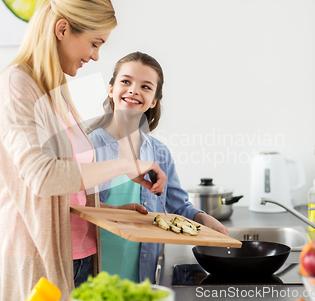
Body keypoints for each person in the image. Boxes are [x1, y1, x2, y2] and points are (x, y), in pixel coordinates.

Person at [0, 0, 166, 301]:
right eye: (95, 43)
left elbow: (68, 189)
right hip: (35, 258)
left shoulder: (55, 92)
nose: (95, 56)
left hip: (78, 257)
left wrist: (112, 212)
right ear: (63, 29)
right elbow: (43, 176)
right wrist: (125, 165)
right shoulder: (15, 87)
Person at [87, 51, 228, 283]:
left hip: (142, 279)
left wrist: (202, 218)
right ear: (111, 89)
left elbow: (175, 206)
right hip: (93, 276)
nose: (134, 90)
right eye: (126, 82)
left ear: (153, 100)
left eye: (145, 86)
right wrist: (113, 213)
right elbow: (71, 209)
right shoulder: (87, 145)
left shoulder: (159, 152)